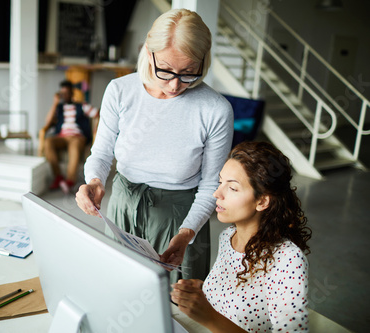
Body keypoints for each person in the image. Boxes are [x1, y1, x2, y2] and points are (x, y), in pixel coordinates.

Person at [75, 8, 234, 284]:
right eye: (166, 70)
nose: (174, 85)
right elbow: (101, 152)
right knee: (120, 286)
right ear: (148, 53)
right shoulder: (120, 91)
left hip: (183, 218)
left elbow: (211, 186)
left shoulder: (215, 109)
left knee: (177, 307)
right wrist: (94, 180)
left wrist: (187, 234)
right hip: (123, 207)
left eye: (188, 73)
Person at [171, 141, 312, 332]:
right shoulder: (228, 236)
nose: (216, 194)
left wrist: (210, 317)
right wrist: (205, 292)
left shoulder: (288, 259)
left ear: (262, 201)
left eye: (233, 188)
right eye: (221, 182)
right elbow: (240, 300)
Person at [42, 80, 98, 194]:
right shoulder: (59, 108)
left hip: (77, 136)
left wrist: (96, 129)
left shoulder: (81, 106)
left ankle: (70, 181)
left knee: (75, 145)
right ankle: (58, 177)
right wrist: (55, 103)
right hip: (62, 137)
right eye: (62, 93)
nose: (64, 96)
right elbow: (47, 121)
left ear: (72, 93)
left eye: (67, 93)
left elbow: (98, 113)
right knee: (48, 142)